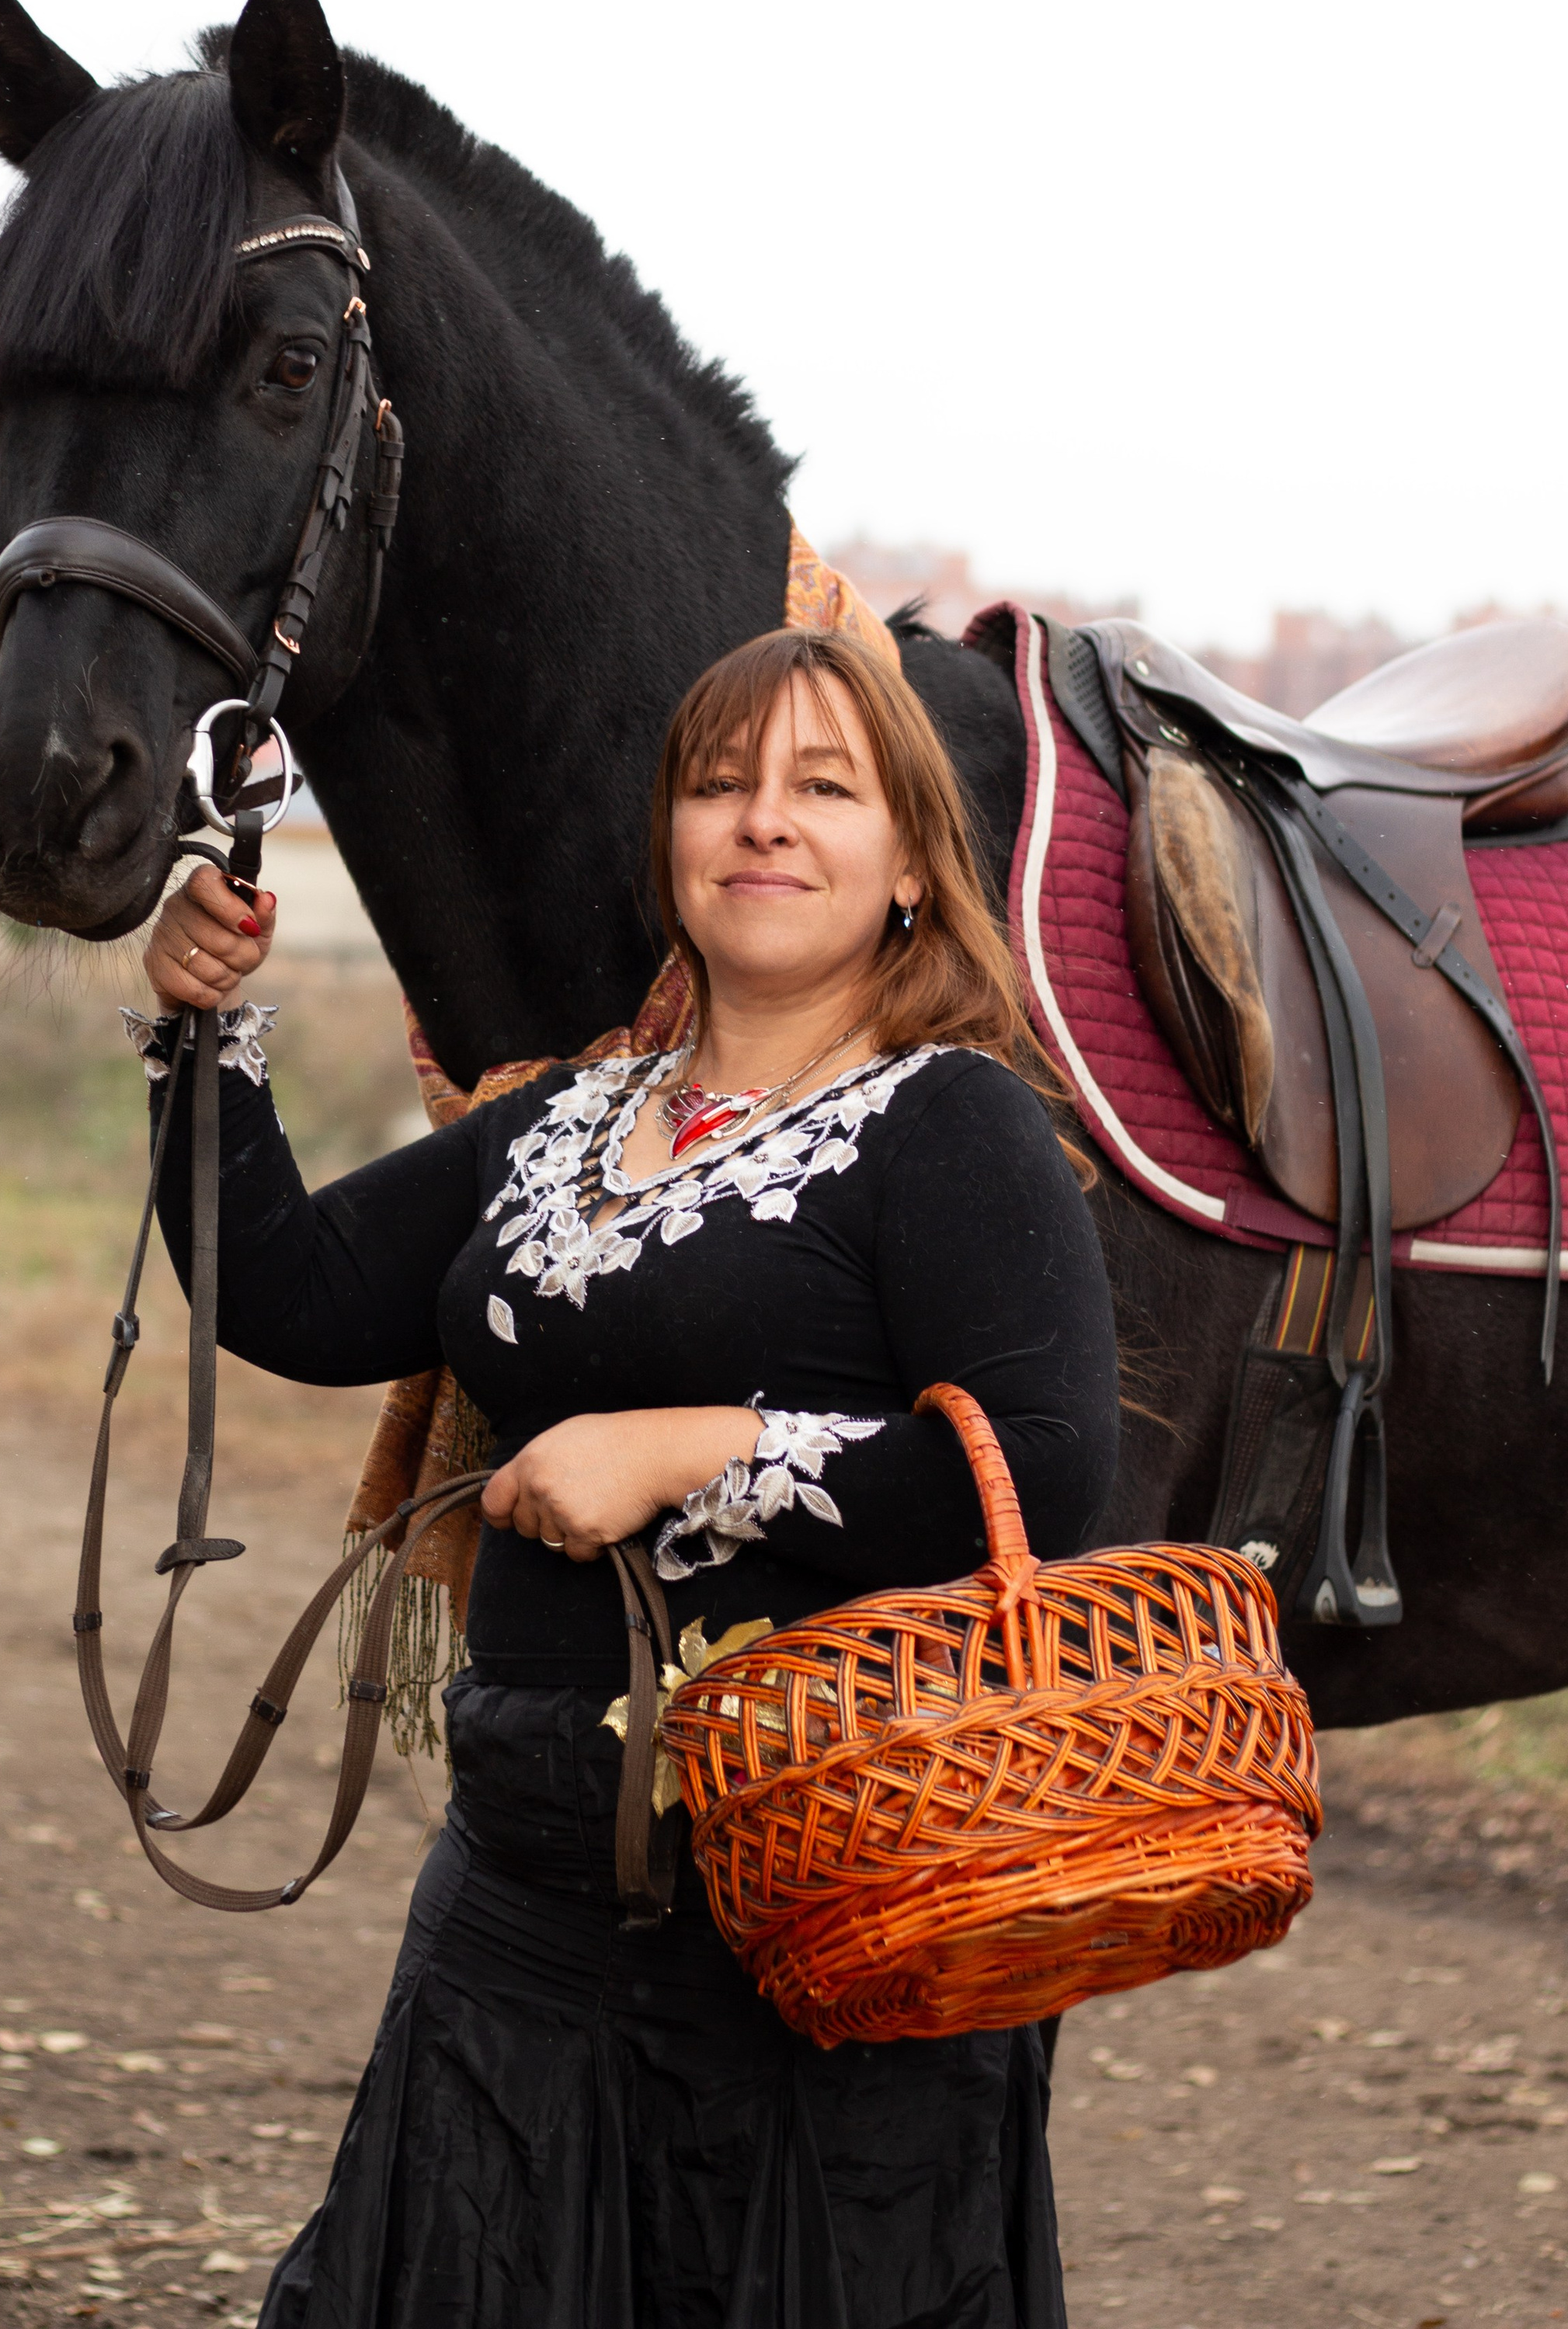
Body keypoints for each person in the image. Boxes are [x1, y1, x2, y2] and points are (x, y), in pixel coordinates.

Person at [131, 627, 1119, 2329]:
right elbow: (286, 1287)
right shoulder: (572, 1114)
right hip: (522, 1903)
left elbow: (1036, 1467)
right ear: (666, 838)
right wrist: (199, 1032)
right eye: (720, 783)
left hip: (820, 1918)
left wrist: (688, 1449)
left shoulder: (947, 1119)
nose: (763, 820)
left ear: (904, 866)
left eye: (824, 787)